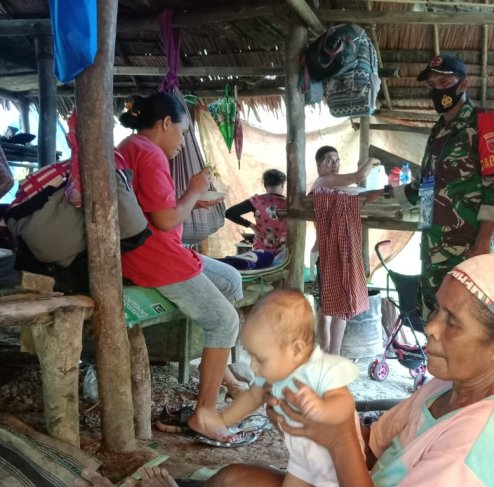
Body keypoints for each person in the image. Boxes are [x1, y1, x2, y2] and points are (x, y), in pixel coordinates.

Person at [78, 255, 494, 487]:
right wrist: (316, 425)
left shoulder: (478, 448)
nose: (430, 328)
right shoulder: (447, 387)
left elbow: (352, 447)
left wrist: (335, 439)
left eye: (451, 322)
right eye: (436, 310)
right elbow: (374, 443)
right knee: (231, 482)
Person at [117, 93, 243, 441]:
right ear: (166, 123)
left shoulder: (130, 146)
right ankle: (204, 413)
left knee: (230, 280)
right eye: (184, 133)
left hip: (153, 249)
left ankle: (220, 372)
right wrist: (193, 191)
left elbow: (154, 209)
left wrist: (189, 201)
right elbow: (165, 216)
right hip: (153, 258)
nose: (183, 142)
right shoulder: (150, 154)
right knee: (224, 319)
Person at [394, 54, 494, 320]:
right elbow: (428, 183)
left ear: (463, 84)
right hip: (431, 249)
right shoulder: (439, 130)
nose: (438, 88)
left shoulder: (485, 122)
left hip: (466, 249)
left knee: (464, 323)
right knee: (435, 324)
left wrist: (483, 241)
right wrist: (387, 194)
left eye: (445, 80)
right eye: (433, 84)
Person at [214, 288, 360, 486]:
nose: (252, 367)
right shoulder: (276, 371)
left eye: (260, 359)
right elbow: (252, 397)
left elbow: (345, 403)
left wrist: (322, 409)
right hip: (302, 460)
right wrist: (222, 420)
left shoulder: (320, 369)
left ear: (297, 350)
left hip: (334, 466)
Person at [309, 145, 382, 355]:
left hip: (329, 252)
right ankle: (330, 353)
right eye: (330, 160)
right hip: (329, 253)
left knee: (333, 307)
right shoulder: (324, 182)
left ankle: (331, 353)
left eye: (338, 160)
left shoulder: (333, 188)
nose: (335, 164)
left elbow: (359, 192)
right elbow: (360, 176)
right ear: (319, 165)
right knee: (333, 307)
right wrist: (372, 160)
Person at [221, 169, 287, 270]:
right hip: (283, 256)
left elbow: (229, 213)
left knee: (250, 267)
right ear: (282, 184)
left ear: (265, 184)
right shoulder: (290, 204)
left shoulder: (257, 201)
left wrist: (252, 226)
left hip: (259, 253)